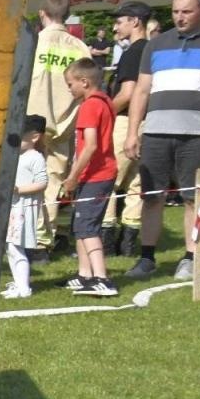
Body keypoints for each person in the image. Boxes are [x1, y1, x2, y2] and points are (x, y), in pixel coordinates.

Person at [122, 0, 200, 281]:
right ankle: (146, 257)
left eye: (186, 11)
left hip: (199, 134)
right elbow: (141, 90)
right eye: (175, 12)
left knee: (192, 197)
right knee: (151, 196)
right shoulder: (156, 44)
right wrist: (132, 132)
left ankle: (190, 257)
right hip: (157, 133)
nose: (179, 17)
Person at [27, 0, 93, 258]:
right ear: (67, 15)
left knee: (28, 179)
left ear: (42, 13)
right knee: (53, 181)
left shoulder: (34, 42)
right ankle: (46, 238)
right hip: (66, 121)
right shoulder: (79, 47)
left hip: (31, 120)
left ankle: (31, 237)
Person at [59, 58, 118, 297]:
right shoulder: (105, 102)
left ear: (84, 82)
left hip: (96, 175)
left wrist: (72, 177)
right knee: (80, 225)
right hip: (94, 174)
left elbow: (91, 146)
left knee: (88, 227)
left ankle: (101, 278)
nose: (69, 89)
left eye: (70, 84)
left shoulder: (90, 106)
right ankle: (85, 275)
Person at [101, 1, 150, 258]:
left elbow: (128, 93)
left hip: (125, 121)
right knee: (135, 185)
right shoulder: (152, 49)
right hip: (146, 121)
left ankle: (106, 241)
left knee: (108, 180)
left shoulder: (134, 52)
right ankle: (129, 243)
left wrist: (103, 111)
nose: (115, 27)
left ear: (135, 21)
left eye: (120, 21)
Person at [4, 115, 48, 299]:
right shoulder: (18, 156)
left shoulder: (35, 157)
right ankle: (18, 283)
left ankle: (23, 288)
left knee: (16, 247)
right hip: (13, 209)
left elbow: (42, 182)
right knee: (10, 247)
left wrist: (19, 189)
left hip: (23, 210)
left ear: (34, 137)